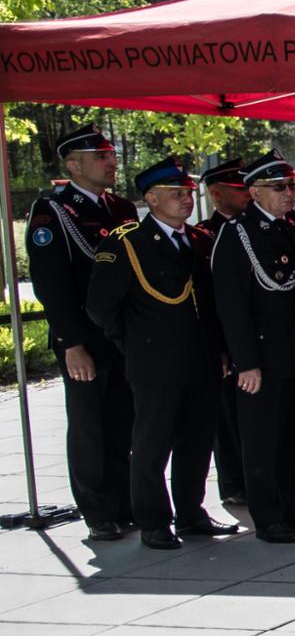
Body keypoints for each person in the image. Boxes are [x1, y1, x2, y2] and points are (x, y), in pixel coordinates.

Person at [87, 157, 236, 550]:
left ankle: (191, 513)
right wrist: (133, 343)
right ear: (151, 199)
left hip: (201, 359)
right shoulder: (127, 243)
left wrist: (220, 349)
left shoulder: (200, 240)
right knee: (152, 445)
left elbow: (212, 303)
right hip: (155, 362)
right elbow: (102, 307)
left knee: (198, 441)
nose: (186, 200)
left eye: (188, 193)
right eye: (176, 194)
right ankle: (154, 520)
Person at [209, 151, 295, 543]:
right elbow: (231, 305)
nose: (289, 194)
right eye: (279, 187)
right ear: (254, 192)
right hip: (263, 359)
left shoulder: (294, 227)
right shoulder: (237, 234)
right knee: (263, 440)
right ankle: (267, 515)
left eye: (291, 186)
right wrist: (245, 361)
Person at [29, 125, 139, 541]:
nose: (111, 162)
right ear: (74, 165)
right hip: (85, 339)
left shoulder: (121, 208)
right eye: (101, 156)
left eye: (111, 154)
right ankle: (98, 510)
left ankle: (126, 502)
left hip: (123, 336)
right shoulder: (54, 212)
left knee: (124, 420)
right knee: (91, 424)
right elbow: (51, 285)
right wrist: (71, 343)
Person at [196, 158, 251, 504]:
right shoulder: (206, 235)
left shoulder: (257, 228)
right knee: (228, 418)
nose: (246, 193)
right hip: (224, 341)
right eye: (238, 188)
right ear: (216, 194)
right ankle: (234, 485)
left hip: (255, 338)